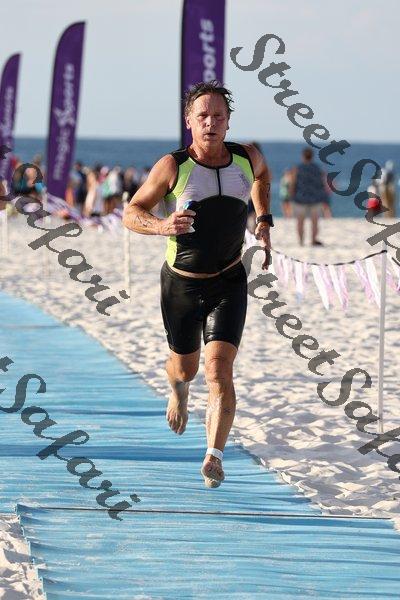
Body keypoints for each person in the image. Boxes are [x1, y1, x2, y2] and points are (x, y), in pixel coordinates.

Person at [122, 81, 272, 488]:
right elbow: (132, 211)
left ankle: (214, 456)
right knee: (185, 369)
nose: (211, 123)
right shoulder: (173, 166)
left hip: (229, 281)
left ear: (228, 121)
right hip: (182, 286)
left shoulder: (247, 158)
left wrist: (263, 218)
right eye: (202, 116)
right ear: (189, 121)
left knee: (219, 369)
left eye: (218, 116)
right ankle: (178, 390)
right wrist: (161, 225)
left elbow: (263, 177)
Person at [289, 147, 328, 246]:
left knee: (300, 222)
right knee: (315, 222)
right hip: (315, 198)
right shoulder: (318, 168)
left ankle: (301, 241)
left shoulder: (297, 168)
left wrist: (291, 195)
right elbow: (323, 183)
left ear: (303, 156)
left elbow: (293, 183)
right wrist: (324, 196)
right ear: (312, 156)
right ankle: (313, 240)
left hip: (300, 198)